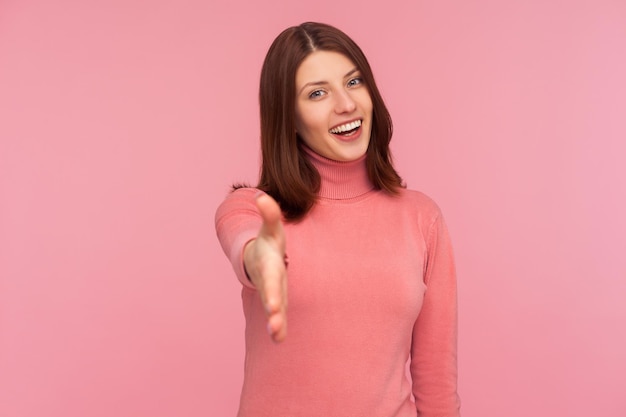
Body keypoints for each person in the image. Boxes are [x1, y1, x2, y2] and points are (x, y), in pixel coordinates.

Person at [215, 22, 460, 417]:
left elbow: (436, 380)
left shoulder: (421, 218)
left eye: (354, 82)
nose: (346, 105)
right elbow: (240, 237)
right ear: (288, 117)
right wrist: (258, 258)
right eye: (317, 93)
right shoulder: (255, 209)